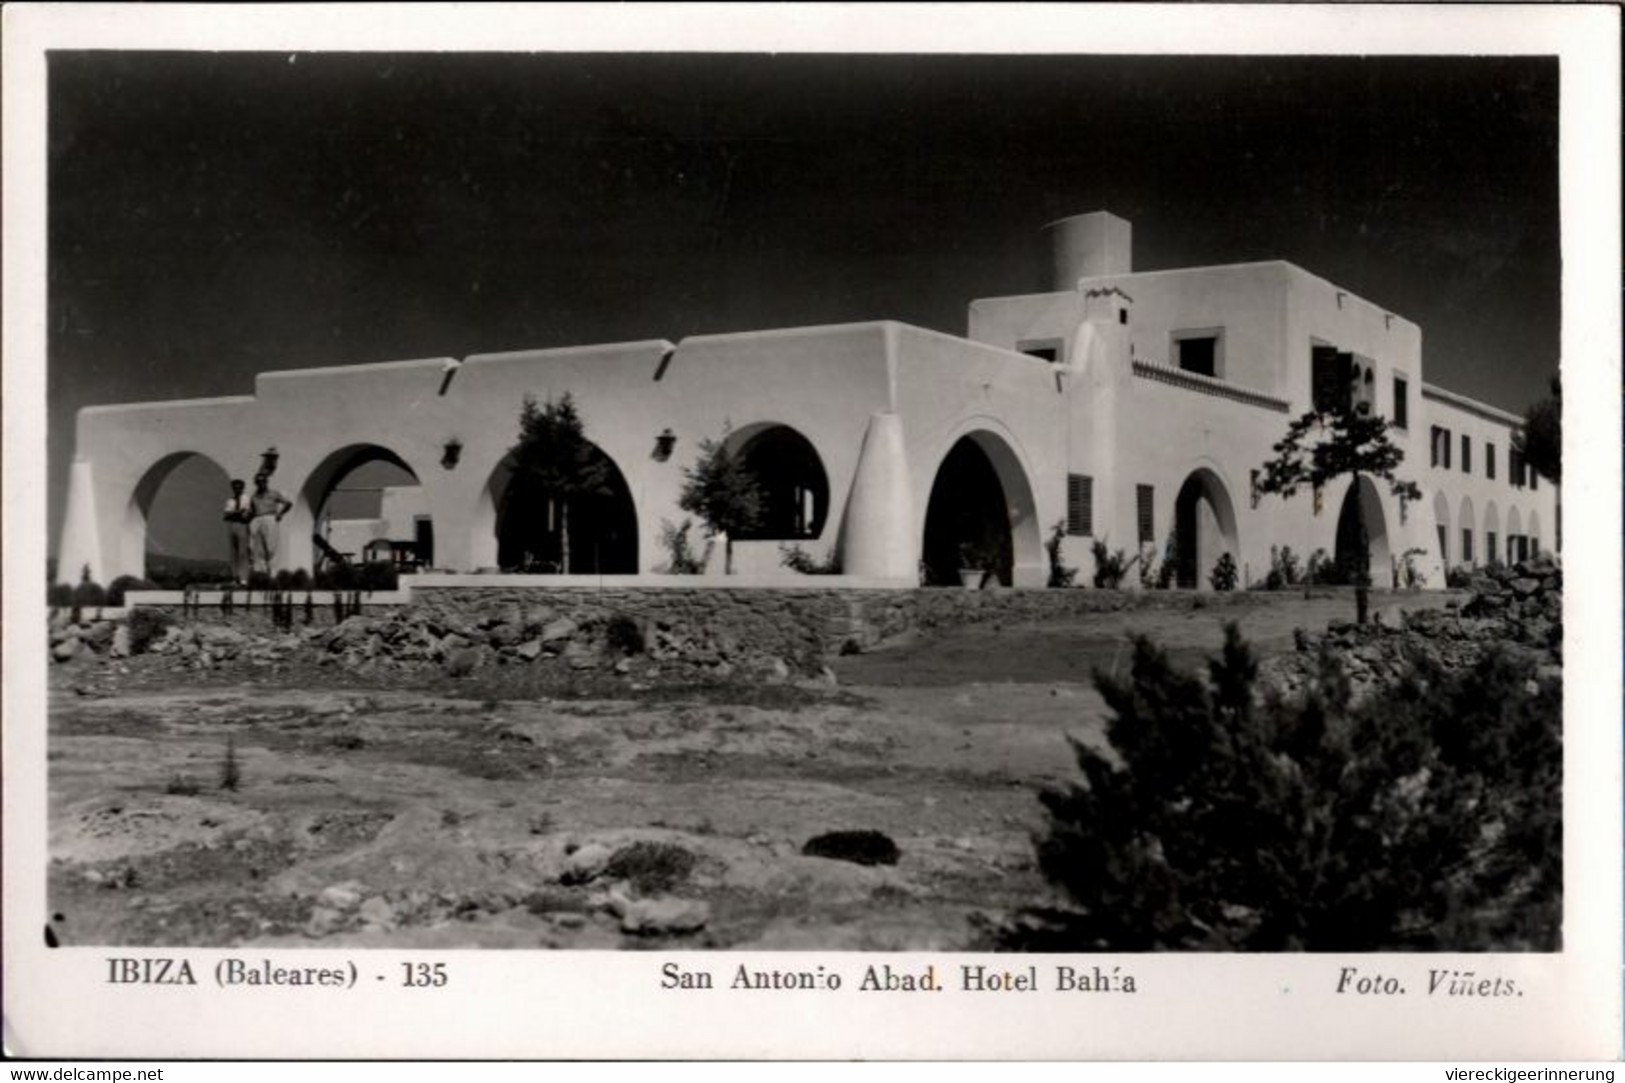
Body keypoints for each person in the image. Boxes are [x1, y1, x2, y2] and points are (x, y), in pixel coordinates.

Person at [247, 472, 292, 578]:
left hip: (270, 518)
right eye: (258, 481)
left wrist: (280, 514)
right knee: (255, 547)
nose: (260, 483)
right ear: (256, 483)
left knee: (271, 546)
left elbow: (288, 503)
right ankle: (261, 572)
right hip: (257, 519)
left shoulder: (274, 493)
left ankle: (273, 572)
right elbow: (252, 511)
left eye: (262, 481)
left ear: (266, 482)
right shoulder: (254, 497)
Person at [222, 478, 251, 584]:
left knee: (242, 552)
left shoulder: (246, 498)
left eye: (239, 487)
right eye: (235, 487)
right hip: (232, 525)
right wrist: (238, 512)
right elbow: (225, 516)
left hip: (242, 525)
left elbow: (246, 514)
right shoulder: (230, 501)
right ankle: (234, 577)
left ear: (242, 488)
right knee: (233, 552)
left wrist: (234, 513)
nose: (237, 489)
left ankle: (243, 578)